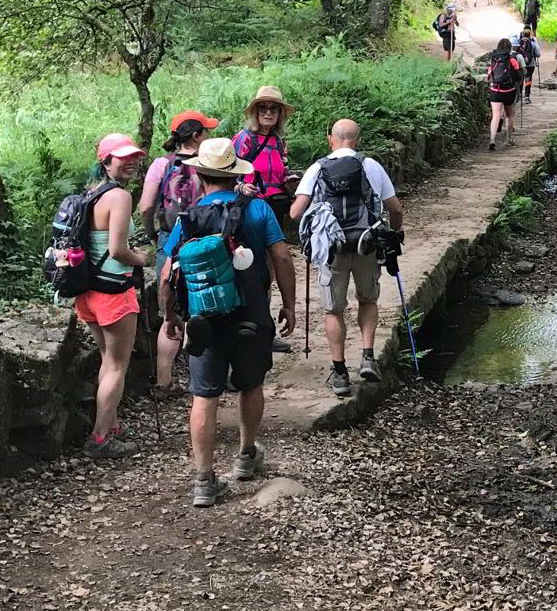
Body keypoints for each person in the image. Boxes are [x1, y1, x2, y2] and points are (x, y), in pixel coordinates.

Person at [160, 138, 296, 507]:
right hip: (251, 314)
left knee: (204, 395)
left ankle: (204, 480)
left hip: (203, 320)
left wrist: (170, 315)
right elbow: (282, 258)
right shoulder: (258, 210)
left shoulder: (188, 218)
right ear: (233, 173)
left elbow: (167, 272)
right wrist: (289, 305)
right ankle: (246, 456)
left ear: (201, 175)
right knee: (251, 385)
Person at [290, 119, 402, 398]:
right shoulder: (371, 166)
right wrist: (394, 234)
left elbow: (295, 213)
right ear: (358, 139)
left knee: (333, 310)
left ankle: (340, 373)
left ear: (331, 139)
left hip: (332, 249)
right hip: (367, 245)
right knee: (368, 300)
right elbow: (394, 208)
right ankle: (367, 357)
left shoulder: (317, 168)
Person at [76, 134, 152, 460]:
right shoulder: (119, 197)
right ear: (106, 160)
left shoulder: (90, 193)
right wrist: (142, 259)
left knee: (108, 361)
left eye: (135, 156)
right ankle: (100, 437)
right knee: (117, 365)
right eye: (123, 157)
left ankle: (112, 424)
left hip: (86, 290)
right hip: (113, 292)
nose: (132, 161)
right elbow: (118, 249)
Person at [137, 110, 219, 391]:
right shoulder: (208, 163)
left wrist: (152, 232)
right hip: (204, 242)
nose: (208, 135)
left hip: (169, 240)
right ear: (196, 136)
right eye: (206, 131)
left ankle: (164, 381)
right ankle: (207, 377)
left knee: (169, 314)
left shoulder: (161, 164)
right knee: (206, 310)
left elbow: (146, 206)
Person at [234, 86, 295, 352]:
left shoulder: (278, 142)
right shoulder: (244, 139)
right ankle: (249, 329)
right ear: (255, 112)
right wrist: (240, 188)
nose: (268, 112)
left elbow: (280, 172)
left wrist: (290, 181)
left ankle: (265, 330)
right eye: (263, 108)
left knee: (269, 270)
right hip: (250, 211)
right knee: (250, 269)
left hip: (274, 209)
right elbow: (226, 172)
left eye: (273, 108)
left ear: (280, 113)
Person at [486, 38, 524, 150]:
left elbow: (489, 74)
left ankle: (492, 139)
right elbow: (518, 76)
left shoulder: (494, 59)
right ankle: (509, 139)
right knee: (509, 115)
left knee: (496, 116)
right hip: (508, 91)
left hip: (495, 91)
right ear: (509, 47)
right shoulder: (512, 60)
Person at [514, 28, 540, 105]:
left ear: (522, 35)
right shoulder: (532, 43)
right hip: (530, 64)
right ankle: (527, 97)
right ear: (530, 35)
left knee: (520, 78)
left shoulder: (518, 43)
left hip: (519, 63)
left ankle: (519, 95)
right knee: (528, 78)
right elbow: (538, 54)